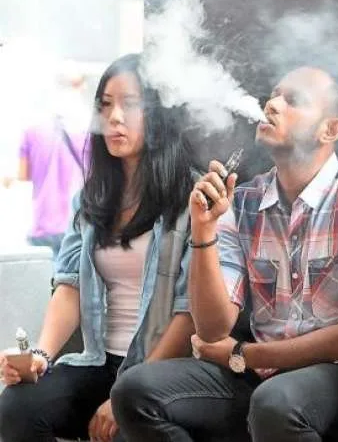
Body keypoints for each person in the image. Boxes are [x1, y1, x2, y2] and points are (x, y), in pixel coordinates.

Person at [111, 66, 338, 442]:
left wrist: (243, 354)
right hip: (257, 376)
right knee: (136, 391)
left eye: (293, 100)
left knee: (276, 401)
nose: (272, 105)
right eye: (273, 95)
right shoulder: (244, 201)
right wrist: (203, 232)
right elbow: (212, 328)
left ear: (330, 130)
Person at [0, 53, 198, 442]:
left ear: (159, 113)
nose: (114, 117)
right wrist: (39, 356)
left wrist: (127, 395)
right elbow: (69, 285)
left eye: (130, 104)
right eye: (105, 105)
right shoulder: (91, 196)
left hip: (160, 369)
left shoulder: (191, 198)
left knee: (129, 432)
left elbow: (189, 314)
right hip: (97, 360)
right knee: (16, 407)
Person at [5, 69, 89, 259]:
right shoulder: (86, 132)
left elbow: (24, 175)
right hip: (75, 227)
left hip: (41, 227)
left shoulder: (32, 130)